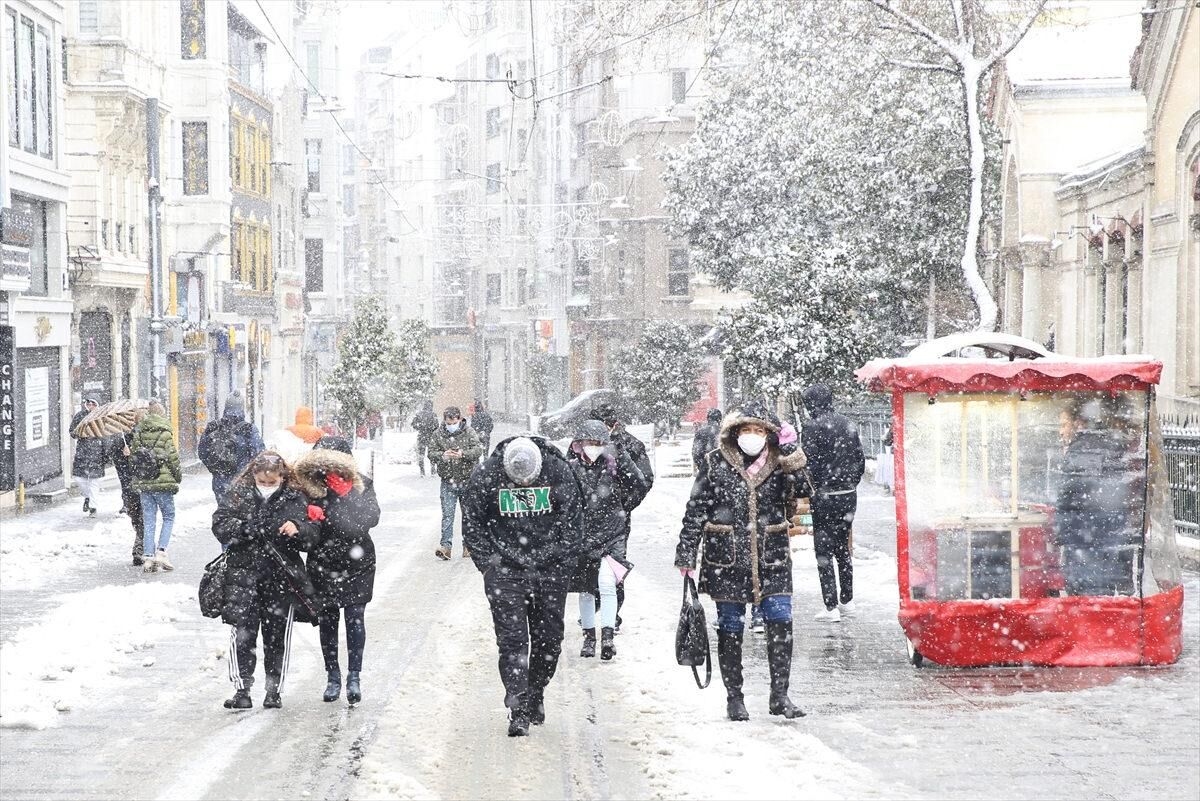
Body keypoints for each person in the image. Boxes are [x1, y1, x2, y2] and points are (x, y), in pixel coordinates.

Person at [675, 401, 808, 722]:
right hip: (726, 558)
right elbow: (696, 509)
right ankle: (735, 698)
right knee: (730, 627)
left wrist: (792, 455)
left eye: (759, 430)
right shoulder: (715, 463)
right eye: (747, 429)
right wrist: (686, 552)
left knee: (781, 621)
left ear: (769, 434)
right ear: (735, 433)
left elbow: (804, 490)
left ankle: (780, 695)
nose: (752, 435)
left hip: (771, 556)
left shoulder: (779, 463)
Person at [461, 435, 584, 736]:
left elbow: (573, 520)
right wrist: (488, 567)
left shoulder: (558, 471)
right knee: (512, 642)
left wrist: (563, 562)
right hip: (505, 570)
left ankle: (536, 690)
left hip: (550, 569)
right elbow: (472, 522)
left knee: (549, 640)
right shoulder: (487, 475)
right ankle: (518, 706)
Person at [211, 451, 320, 710]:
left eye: (273, 482)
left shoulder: (295, 497)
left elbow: (312, 535)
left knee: (277, 636)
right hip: (243, 575)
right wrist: (245, 529)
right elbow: (220, 524)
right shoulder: (238, 494)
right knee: (242, 634)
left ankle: (274, 691)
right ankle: (242, 689)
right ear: (253, 475)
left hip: (281, 578)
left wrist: (298, 528)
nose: (267, 485)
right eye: (262, 481)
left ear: (282, 477)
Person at [294, 436, 381, 705]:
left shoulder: (362, 484)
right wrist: (309, 516)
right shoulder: (309, 487)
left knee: (355, 617)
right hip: (323, 562)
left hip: (357, 562)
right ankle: (333, 675)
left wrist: (346, 497)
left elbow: (368, 520)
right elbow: (305, 532)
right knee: (328, 620)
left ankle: (354, 675)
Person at [566, 419, 650, 661]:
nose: (592, 447)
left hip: (612, 533)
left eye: (597, 443)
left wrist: (623, 507)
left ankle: (608, 636)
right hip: (582, 537)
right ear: (579, 444)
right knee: (586, 589)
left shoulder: (615, 463)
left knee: (607, 583)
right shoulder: (571, 467)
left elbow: (639, 485)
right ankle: (589, 636)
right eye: (587, 443)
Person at [1055, 399, 1134, 596]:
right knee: (1101, 594)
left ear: (1078, 423)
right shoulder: (1111, 445)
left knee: (1084, 593)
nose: (1060, 431)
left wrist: (1061, 529)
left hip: (1085, 535)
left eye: (1064, 425)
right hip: (1104, 534)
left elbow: (1070, 494)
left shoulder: (1081, 450)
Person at [801, 384, 865, 623]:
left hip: (825, 496)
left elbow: (811, 463)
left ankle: (830, 606)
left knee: (823, 551)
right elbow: (859, 458)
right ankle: (847, 600)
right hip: (848, 494)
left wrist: (815, 487)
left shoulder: (812, 427)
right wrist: (850, 481)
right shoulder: (847, 423)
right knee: (843, 548)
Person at [588, 403, 653, 631]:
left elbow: (644, 481)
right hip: (587, 519)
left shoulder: (631, 445)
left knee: (614, 565)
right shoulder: (582, 444)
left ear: (613, 424)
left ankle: (612, 613)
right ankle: (593, 608)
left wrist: (623, 505)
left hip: (617, 518)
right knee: (588, 565)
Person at [130, 400, 183, 573]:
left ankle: (148, 557)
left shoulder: (139, 433)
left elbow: (134, 460)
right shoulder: (166, 432)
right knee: (169, 516)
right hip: (163, 482)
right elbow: (173, 458)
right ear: (162, 414)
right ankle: (161, 551)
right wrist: (177, 476)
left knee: (149, 519)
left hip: (145, 483)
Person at [429, 406, 483, 560]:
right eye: (448, 422)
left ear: (459, 419)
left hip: (467, 480)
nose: (451, 425)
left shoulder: (469, 432)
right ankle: (446, 547)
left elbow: (478, 449)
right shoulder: (438, 434)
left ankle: (468, 546)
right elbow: (431, 453)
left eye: (453, 422)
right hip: (448, 481)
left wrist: (463, 454)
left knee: (468, 515)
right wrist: (443, 456)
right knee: (448, 515)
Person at [198, 391, 265, 503]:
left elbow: (202, 452)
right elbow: (259, 454)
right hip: (242, 481)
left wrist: (215, 468)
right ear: (242, 408)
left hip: (219, 482)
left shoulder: (213, 426)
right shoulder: (249, 429)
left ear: (225, 407)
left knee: (223, 514)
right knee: (242, 515)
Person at [109, 431, 145, 565]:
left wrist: (133, 455)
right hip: (133, 488)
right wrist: (123, 454)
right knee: (138, 518)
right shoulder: (119, 441)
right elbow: (121, 469)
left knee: (141, 518)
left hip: (138, 487)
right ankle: (141, 546)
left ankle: (139, 548)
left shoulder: (142, 436)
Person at [69, 398, 106, 516]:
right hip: (82, 452)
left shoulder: (102, 416)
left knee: (94, 482)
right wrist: (81, 432)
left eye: (93, 404)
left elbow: (107, 434)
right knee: (80, 479)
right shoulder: (80, 416)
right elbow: (72, 432)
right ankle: (87, 497)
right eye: (88, 403)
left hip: (97, 453)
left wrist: (105, 451)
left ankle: (93, 508)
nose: (90, 406)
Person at [411, 400, 439, 476]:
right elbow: (437, 426)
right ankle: (433, 470)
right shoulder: (433, 415)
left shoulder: (419, 414)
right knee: (431, 454)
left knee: (421, 454)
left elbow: (413, 424)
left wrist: (420, 427)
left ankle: (422, 471)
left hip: (421, 436)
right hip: (431, 437)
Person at [691, 408, 723, 474]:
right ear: (720, 419)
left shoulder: (701, 432)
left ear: (708, 418)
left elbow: (696, 452)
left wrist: (701, 467)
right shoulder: (724, 432)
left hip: (705, 470)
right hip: (722, 471)